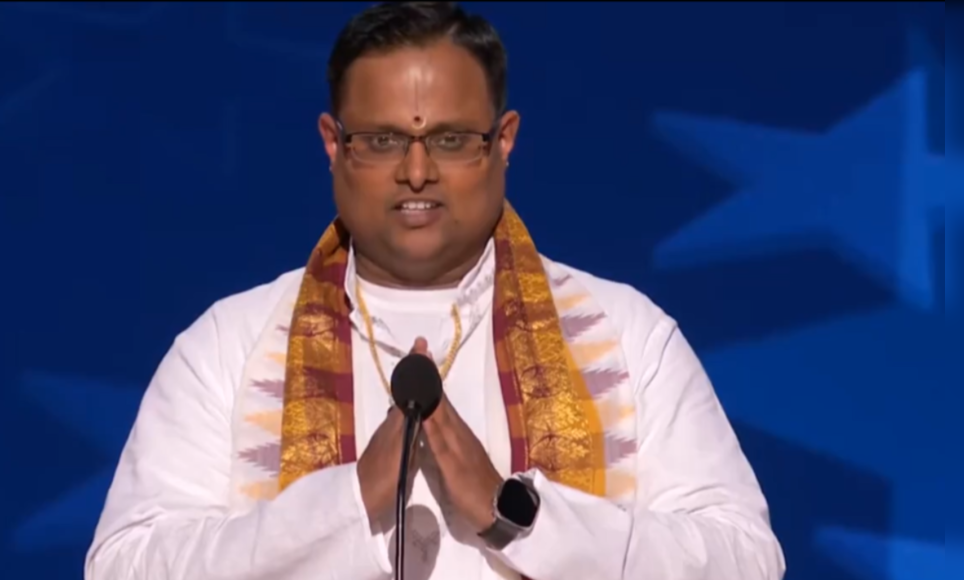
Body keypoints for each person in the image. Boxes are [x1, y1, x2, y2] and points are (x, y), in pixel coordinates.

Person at [84, 2, 786, 579]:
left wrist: (513, 515)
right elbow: (123, 567)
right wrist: (348, 502)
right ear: (333, 144)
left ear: (503, 141)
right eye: (382, 141)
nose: (415, 172)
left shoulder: (625, 335)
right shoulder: (228, 345)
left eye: (450, 141)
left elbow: (746, 562)